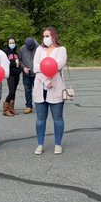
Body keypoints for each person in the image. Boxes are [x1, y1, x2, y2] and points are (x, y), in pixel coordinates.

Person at [33, 27, 68, 155]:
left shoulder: (61, 50)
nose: (45, 38)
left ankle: (57, 143)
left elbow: (57, 65)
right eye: (43, 36)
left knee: (57, 118)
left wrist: (48, 76)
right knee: (40, 118)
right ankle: (40, 144)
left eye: (47, 35)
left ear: (54, 36)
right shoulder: (39, 50)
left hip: (56, 87)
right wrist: (46, 80)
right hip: (41, 87)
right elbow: (36, 67)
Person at [3, 37, 21, 117]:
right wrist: (15, 64)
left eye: (13, 42)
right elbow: (5, 63)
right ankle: (6, 109)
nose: (12, 44)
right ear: (8, 43)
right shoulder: (5, 52)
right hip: (10, 74)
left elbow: (19, 62)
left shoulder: (16, 52)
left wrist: (19, 67)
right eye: (10, 43)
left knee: (14, 92)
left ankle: (11, 108)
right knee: (11, 91)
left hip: (16, 74)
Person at [19, 37, 38, 115]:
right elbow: (19, 60)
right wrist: (23, 67)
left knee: (38, 91)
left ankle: (40, 106)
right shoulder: (22, 49)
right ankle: (29, 106)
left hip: (37, 73)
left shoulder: (39, 48)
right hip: (26, 73)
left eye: (32, 47)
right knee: (27, 90)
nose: (31, 49)